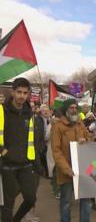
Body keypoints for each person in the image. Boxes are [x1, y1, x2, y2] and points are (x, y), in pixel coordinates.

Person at [0, 78, 41, 222]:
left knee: (31, 198)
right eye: (19, 92)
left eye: (25, 93)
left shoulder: (29, 113)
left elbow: (33, 140)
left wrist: (36, 161)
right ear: (13, 92)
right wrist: (4, 152)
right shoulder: (2, 110)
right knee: (7, 205)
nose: (22, 96)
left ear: (29, 93)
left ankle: (16, 220)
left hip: (25, 164)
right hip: (7, 165)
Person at [52, 99, 92, 222]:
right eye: (71, 107)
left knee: (86, 200)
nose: (74, 110)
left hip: (84, 169)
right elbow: (56, 151)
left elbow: (90, 140)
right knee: (66, 202)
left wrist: (86, 141)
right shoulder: (57, 127)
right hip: (67, 172)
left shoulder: (80, 124)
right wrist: (67, 169)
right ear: (66, 110)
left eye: (75, 107)